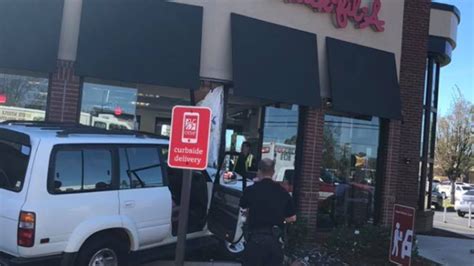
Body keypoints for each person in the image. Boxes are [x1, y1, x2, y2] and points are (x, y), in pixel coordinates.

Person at [239, 158, 297, 266]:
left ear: (259, 171)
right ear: (273, 172)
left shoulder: (250, 190)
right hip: (274, 242)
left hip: (255, 241)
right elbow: (293, 218)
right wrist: (281, 219)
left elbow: (243, 208)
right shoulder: (283, 193)